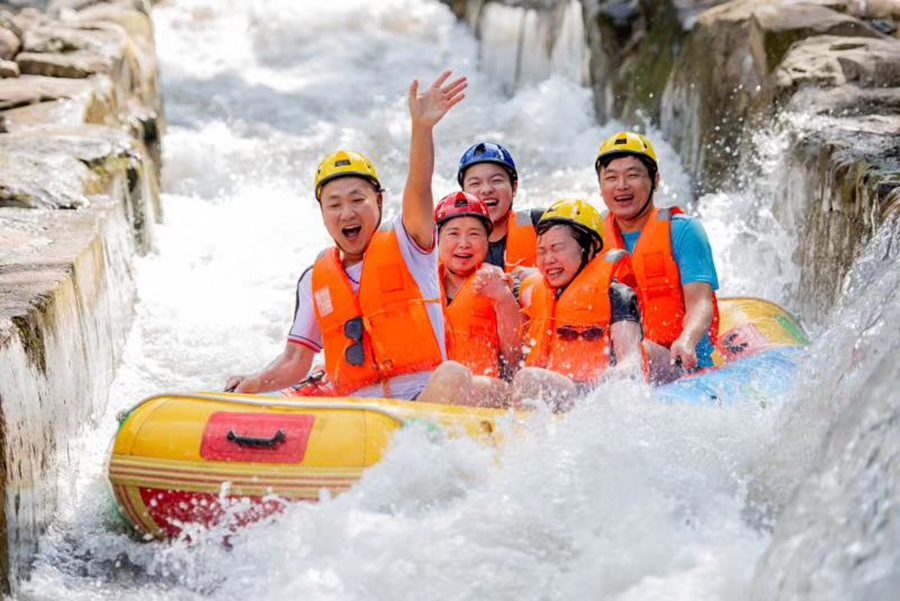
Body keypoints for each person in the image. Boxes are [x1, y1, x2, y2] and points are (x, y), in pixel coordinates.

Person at [224, 71, 467, 399]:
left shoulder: (410, 242)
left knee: (453, 375)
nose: (347, 213)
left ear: (379, 201)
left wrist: (421, 128)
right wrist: (254, 382)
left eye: (357, 200)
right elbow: (296, 360)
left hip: (420, 399)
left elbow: (419, 186)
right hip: (352, 419)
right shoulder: (315, 279)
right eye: (334, 204)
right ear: (323, 213)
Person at [595, 131, 719, 383]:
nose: (621, 186)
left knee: (637, 351)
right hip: (614, 359)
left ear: (655, 180)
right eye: (611, 177)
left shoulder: (683, 230)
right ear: (601, 185)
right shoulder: (591, 235)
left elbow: (701, 302)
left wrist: (687, 339)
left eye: (633, 175)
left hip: (677, 363)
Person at [512, 199, 645, 410]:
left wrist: (618, 376)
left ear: (588, 249)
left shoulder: (616, 295)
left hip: (590, 395)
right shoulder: (533, 290)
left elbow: (631, 358)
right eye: (542, 251)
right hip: (543, 390)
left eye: (557, 248)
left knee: (529, 380)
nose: (548, 259)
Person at [417, 191, 523, 407]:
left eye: (474, 234)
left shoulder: (501, 284)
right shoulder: (419, 285)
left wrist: (503, 300)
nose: (464, 243)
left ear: (487, 241)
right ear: (437, 240)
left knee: (454, 378)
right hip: (428, 391)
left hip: (484, 393)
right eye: (453, 234)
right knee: (446, 378)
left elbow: (515, 361)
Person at [457, 142, 543, 274]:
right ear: (463, 194)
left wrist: (542, 277)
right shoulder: (452, 245)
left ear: (514, 187)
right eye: (475, 183)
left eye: (496, 180)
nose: (486, 190)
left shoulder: (542, 225)